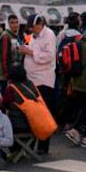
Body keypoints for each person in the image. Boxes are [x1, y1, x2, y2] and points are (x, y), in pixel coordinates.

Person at [18, 15, 56, 150]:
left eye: (33, 27)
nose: (32, 31)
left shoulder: (49, 35)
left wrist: (30, 51)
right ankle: (34, 143)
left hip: (44, 79)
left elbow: (49, 56)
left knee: (43, 113)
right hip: (31, 78)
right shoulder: (34, 36)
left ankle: (43, 145)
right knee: (34, 113)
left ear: (40, 24)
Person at [0, 14, 24, 87]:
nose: (15, 25)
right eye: (12, 23)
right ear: (8, 24)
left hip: (14, 74)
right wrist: (7, 75)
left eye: (16, 22)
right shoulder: (6, 36)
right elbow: (4, 57)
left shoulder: (16, 36)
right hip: (7, 76)